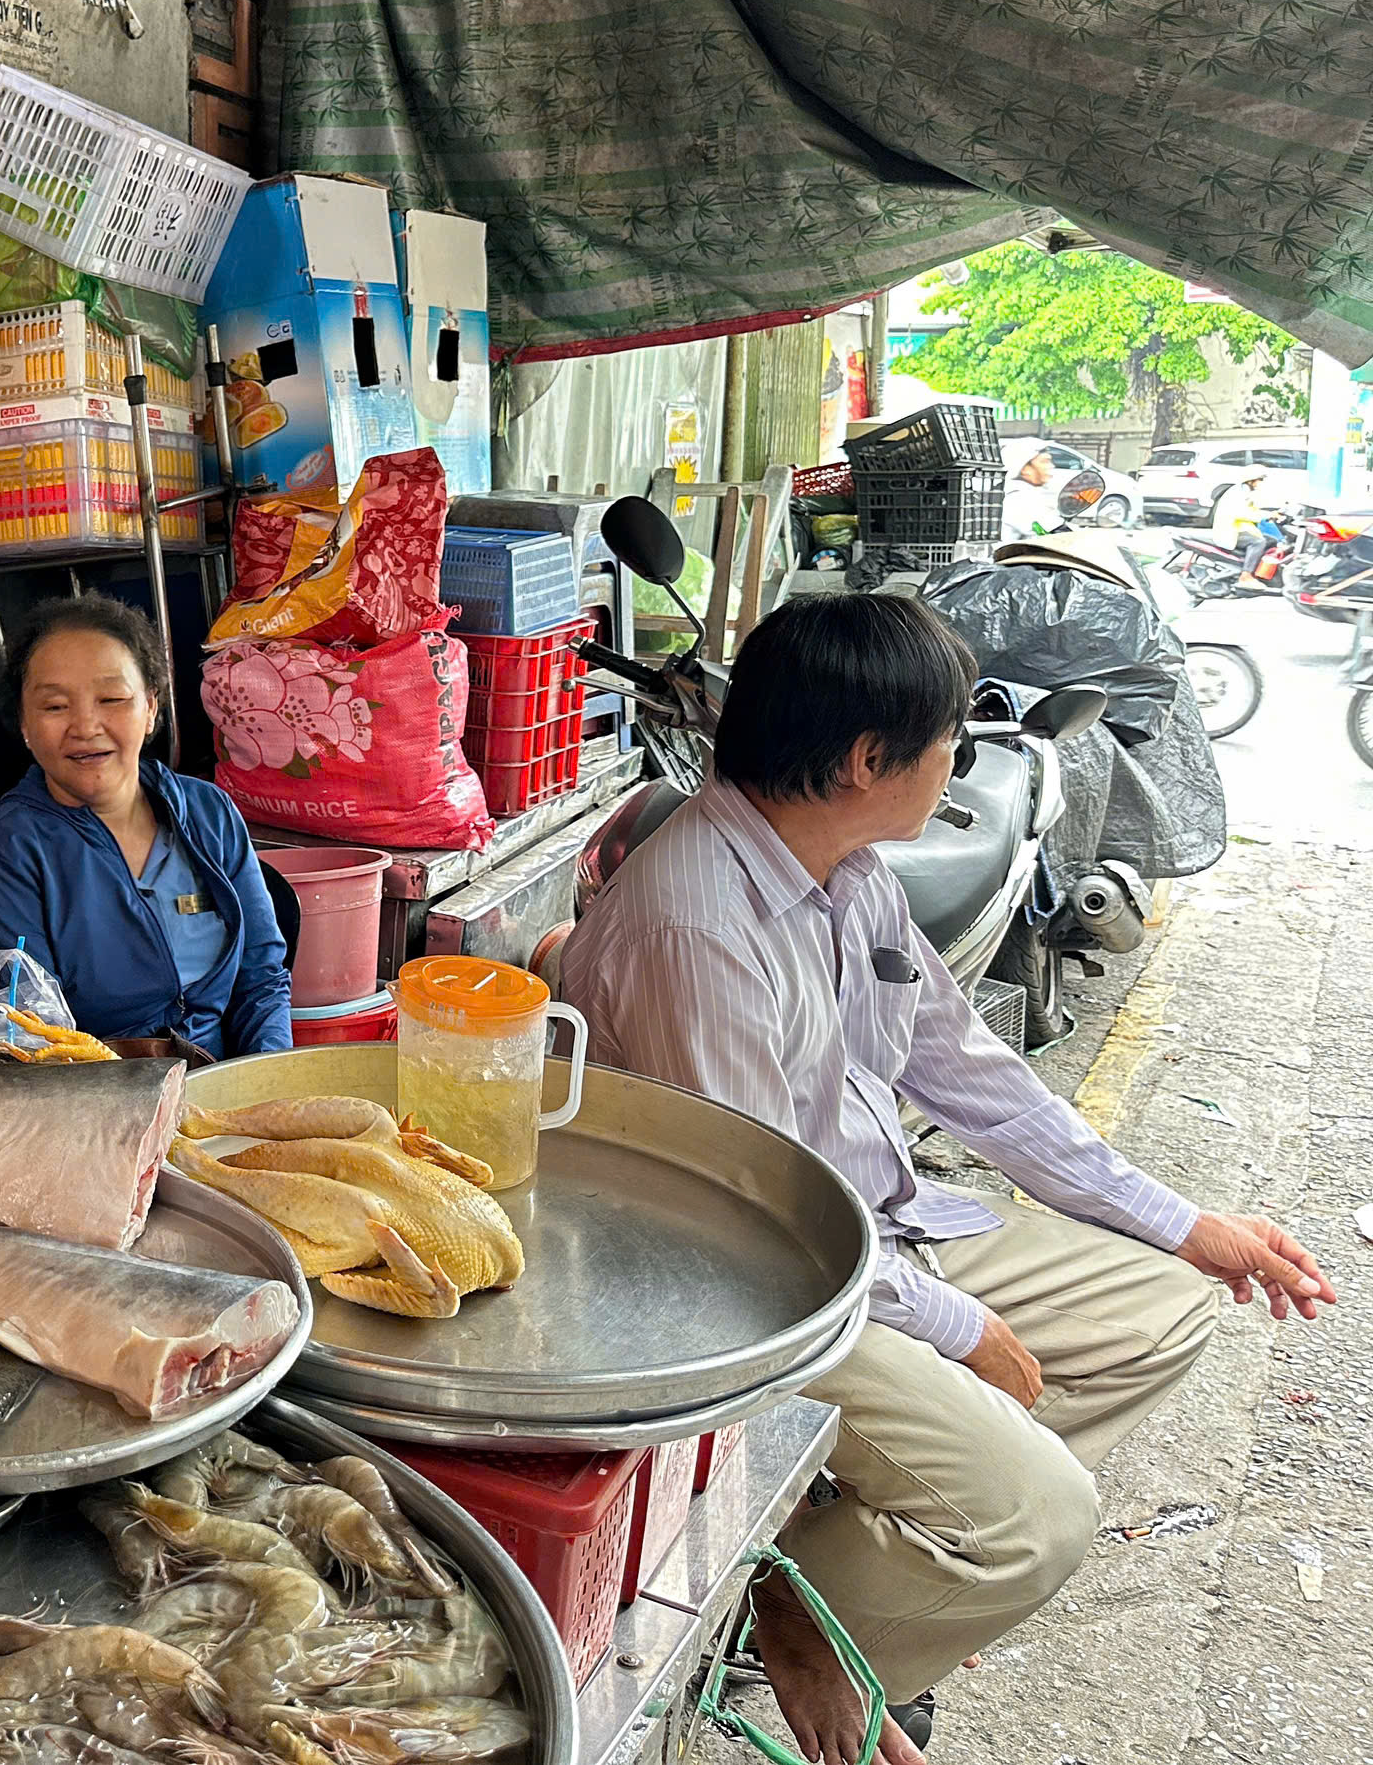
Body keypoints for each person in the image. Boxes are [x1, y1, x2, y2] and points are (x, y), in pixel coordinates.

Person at [559, 593, 1330, 1765]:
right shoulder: (696, 928)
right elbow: (763, 1228)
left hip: (876, 1232)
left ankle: (830, 1576)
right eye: (945, 744)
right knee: (1040, 1516)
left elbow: (970, 1071)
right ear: (869, 758)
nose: (954, 766)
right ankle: (789, 1605)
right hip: (749, 1296)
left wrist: (1185, 1224)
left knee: (1164, 1308)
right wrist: (962, 1329)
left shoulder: (846, 871)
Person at [0, 597, 292, 1059]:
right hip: (94, 1102)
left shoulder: (209, 812)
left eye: (112, 699)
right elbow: (25, 1031)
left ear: (151, 707)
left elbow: (262, 978)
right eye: (55, 706)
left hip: (224, 1088)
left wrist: (261, 1090)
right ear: (25, 724)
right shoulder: (6, 850)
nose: (85, 726)